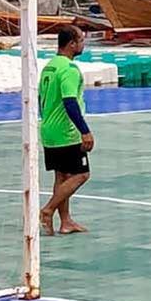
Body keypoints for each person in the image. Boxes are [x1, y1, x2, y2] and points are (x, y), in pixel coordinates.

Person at [38, 25, 94, 236]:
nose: (83, 44)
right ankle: (48, 209)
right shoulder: (69, 70)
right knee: (81, 175)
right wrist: (84, 131)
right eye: (81, 40)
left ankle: (66, 221)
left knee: (62, 176)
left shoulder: (49, 67)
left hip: (48, 130)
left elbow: (40, 99)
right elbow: (70, 102)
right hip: (66, 132)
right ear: (72, 44)